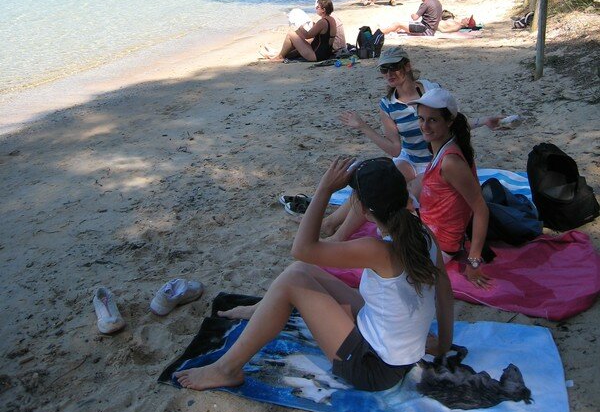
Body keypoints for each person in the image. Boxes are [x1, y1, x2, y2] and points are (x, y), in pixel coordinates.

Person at [174, 156, 454, 393]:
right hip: (392, 348)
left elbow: (302, 248)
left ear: (366, 212)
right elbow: (443, 287)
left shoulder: (376, 249)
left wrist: (324, 190)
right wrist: (444, 342)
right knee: (302, 271)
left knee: (292, 279)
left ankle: (227, 369)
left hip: (374, 369)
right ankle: (261, 310)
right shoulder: (422, 232)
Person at [327, 47, 500, 240]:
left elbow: (451, 122)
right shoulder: (388, 105)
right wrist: (363, 126)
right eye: (384, 70)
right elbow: (395, 149)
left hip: (433, 162)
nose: (389, 74)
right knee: (374, 184)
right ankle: (330, 223)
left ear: (407, 66)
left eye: (394, 67)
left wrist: (482, 121)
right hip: (409, 158)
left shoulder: (431, 90)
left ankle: (336, 239)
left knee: (406, 192)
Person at [408, 88, 491, 288]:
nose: (424, 126)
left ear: (449, 121)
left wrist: (473, 260)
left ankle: (331, 238)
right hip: (428, 229)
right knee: (374, 188)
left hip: (438, 245)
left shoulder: (450, 162)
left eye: (433, 120)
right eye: (421, 119)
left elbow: (481, 209)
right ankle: (332, 233)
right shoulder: (441, 146)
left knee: (369, 197)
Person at [260, 0, 337, 63]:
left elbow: (307, 35)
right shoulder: (331, 19)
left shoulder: (322, 22)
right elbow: (320, 34)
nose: (316, 9)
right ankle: (277, 54)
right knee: (296, 38)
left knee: (290, 34)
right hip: (326, 54)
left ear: (323, 10)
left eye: (317, 7)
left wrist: (300, 25)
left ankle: (279, 57)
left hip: (316, 56)